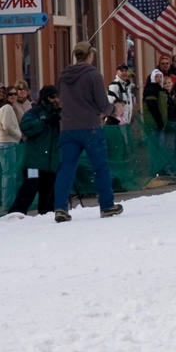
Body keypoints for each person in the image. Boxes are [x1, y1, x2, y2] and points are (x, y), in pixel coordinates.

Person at [54, 42, 122, 221]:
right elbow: (102, 104)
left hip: (68, 127)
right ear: (90, 55)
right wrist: (114, 109)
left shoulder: (63, 76)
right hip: (89, 127)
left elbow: (62, 100)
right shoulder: (93, 75)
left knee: (66, 169)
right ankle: (106, 205)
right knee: (100, 168)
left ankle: (60, 207)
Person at [11, 85, 62, 216]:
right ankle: (16, 214)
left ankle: (45, 218)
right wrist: (45, 122)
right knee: (29, 188)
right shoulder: (35, 112)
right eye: (52, 97)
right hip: (34, 163)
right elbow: (26, 127)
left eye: (57, 96)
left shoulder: (59, 114)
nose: (55, 100)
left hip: (51, 163)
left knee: (49, 195)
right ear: (45, 98)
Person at [0, 85, 23, 211]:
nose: (14, 96)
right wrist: (19, 135)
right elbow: (8, 127)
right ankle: (9, 203)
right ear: (6, 96)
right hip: (7, 143)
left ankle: (8, 202)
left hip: (2, 143)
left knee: (7, 174)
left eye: (15, 94)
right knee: (9, 175)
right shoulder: (7, 108)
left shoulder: (0, 108)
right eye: (11, 94)